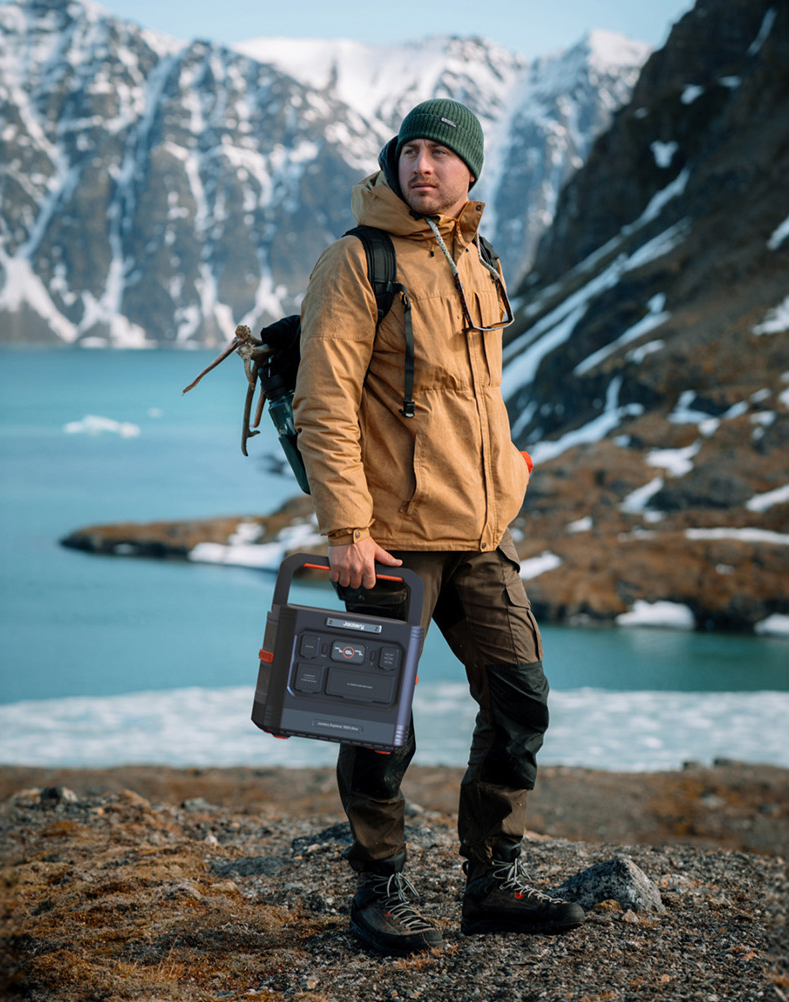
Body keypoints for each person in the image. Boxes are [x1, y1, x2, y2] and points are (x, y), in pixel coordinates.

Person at [293, 98, 586, 955]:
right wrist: (346, 527)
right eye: (409, 151)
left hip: (481, 535)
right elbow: (325, 403)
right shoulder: (356, 262)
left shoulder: (477, 255)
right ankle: (378, 891)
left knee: (521, 700)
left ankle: (491, 883)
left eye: (440, 153)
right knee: (378, 719)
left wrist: (507, 469)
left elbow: (478, 396)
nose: (422, 166)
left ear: (470, 172)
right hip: (389, 538)